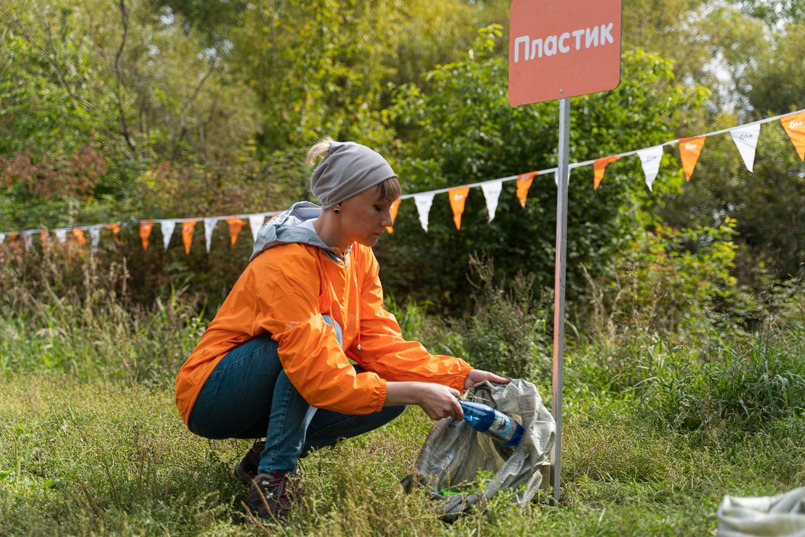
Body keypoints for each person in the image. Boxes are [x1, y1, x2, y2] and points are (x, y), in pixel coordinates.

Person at [174, 139, 509, 522]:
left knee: (384, 395)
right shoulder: (286, 261)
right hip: (211, 395)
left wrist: (460, 376)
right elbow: (316, 373)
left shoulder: (358, 255)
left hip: (279, 383)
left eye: (390, 208)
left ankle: (258, 463)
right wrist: (416, 391)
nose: (388, 221)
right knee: (326, 335)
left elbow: (377, 342)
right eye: (378, 208)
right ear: (338, 202)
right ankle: (272, 483)